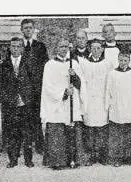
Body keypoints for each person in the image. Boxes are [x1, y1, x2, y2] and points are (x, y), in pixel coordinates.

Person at [40, 37, 86, 169]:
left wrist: (75, 77)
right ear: (56, 48)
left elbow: (81, 83)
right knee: (57, 131)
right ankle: (57, 161)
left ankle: (73, 159)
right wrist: (64, 93)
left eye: (66, 47)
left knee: (73, 130)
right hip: (57, 104)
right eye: (61, 46)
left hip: (72, 103)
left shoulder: (74, 64)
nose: (64, 49)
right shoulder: (49, 65)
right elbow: (47, 86)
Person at [0, 36, 37, 168]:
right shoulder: (4, 63)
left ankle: (28, 160)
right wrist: (6, 98)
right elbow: (1, 84)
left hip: (26, 103)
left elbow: (34, 82)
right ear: (10, 48)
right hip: (10, 104)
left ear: (22, 48)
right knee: (12, 132)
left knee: (27, 132)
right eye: (13, 46)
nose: (15, 49)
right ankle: (13, 159)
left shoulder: (29, 62)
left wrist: (29, 98)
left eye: (18, 46)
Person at [105, 47, 131, 166]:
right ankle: (117, 158)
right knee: (117, 134)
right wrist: (107, 106)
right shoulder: (112, 73)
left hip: (130, 106)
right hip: (116, 107)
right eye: (121, 60)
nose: (123, 63)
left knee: (130, 133)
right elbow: (108, 91)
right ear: (118, 60)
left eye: (125, 60)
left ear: (129, 61)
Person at [80, 40, 110, 165]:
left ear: (102, 49)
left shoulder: (108, 63)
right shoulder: (85, 63)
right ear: (90, 49)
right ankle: (91, 154)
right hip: (90, 100)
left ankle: (102, 155)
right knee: (90, 128)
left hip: (102, 99)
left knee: (102, 127)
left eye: (99, 48)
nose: (96, 51)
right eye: (93, 48)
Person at [20, 19, 48, 155]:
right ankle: (25, 145)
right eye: (25, 28)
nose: (28, 30)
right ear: (22, 30)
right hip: (22, 89)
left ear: (33, 30)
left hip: (36, 88)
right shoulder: (17, 45)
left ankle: (39, 145)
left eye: (30, 28)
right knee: (23, 117)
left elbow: (45, 66)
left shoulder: (40, 46)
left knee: (36, 117)